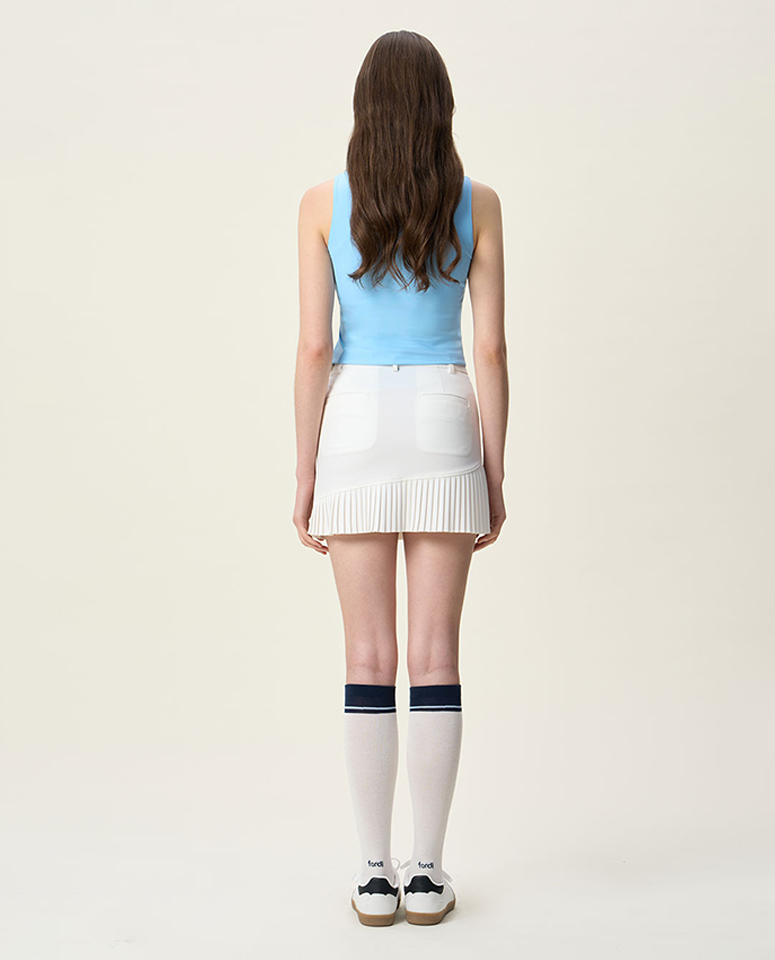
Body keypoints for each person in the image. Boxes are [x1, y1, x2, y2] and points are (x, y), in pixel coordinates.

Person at [293, 30, 508, 927]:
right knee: (435, 658)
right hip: (443, 411)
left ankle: (373, 874)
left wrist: (303, 471)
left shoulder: (321, 203)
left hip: (353, 422)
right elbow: (489, 348)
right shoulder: (479, 202)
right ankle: (428, 874)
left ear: (365, 108)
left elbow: (314, 347)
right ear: (440, 107)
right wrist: (494, 470)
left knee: (367, 660)